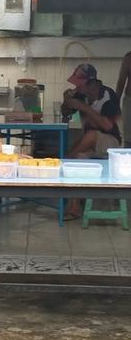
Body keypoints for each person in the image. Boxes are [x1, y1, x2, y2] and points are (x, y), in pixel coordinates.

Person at [61, 63, 121, 220]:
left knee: (91, 135)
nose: (76, 87)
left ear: (91, 83)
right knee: (77, 158)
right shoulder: (81, 95)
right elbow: (66, 112)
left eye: (79, 84)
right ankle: (74, 207)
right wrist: (67, 100)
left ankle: (62, 162)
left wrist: (84, 107)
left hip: (110, 143)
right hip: (90, 143)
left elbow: (107, 125)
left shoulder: (108, 95)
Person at [116, 51, 131, 148]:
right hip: (129, 101)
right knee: (129, 139)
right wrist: (115, 104)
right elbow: (121, 81)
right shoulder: (129, 58)